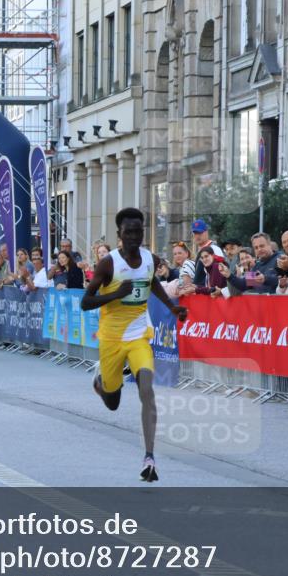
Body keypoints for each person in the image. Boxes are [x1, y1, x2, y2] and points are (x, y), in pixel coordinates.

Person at [81, 207, 188, 482]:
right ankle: (100, 383)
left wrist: (172, 308)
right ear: (119, 235)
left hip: (140, 335)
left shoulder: (151, 260)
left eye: (138, 232)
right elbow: (85, 302)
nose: (133, 237)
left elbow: (152, 284)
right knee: (113, 401)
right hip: (112, 340)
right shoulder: (109, 264)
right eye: (128, 232)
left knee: (146, 389)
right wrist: (116, 293)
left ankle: (149, 457)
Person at [190, 218, 224, 286]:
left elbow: (221, 273)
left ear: (206, 232)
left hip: (212, 293)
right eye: (195, 233)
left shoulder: (214, 248)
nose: (197, 236)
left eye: (200, 232)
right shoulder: (200, 251)